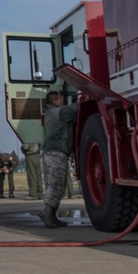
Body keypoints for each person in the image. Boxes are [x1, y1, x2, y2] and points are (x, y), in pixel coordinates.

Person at [38, 90, 79, 228]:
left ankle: (52, 215)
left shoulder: (50, 113)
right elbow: (75, 109)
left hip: (51, 153)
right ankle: (47, 212)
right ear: (55, 101)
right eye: (61, 99)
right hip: (57, 153)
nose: (62, 101)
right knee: (57, 185)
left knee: (54, 185)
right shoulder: (58, 113)